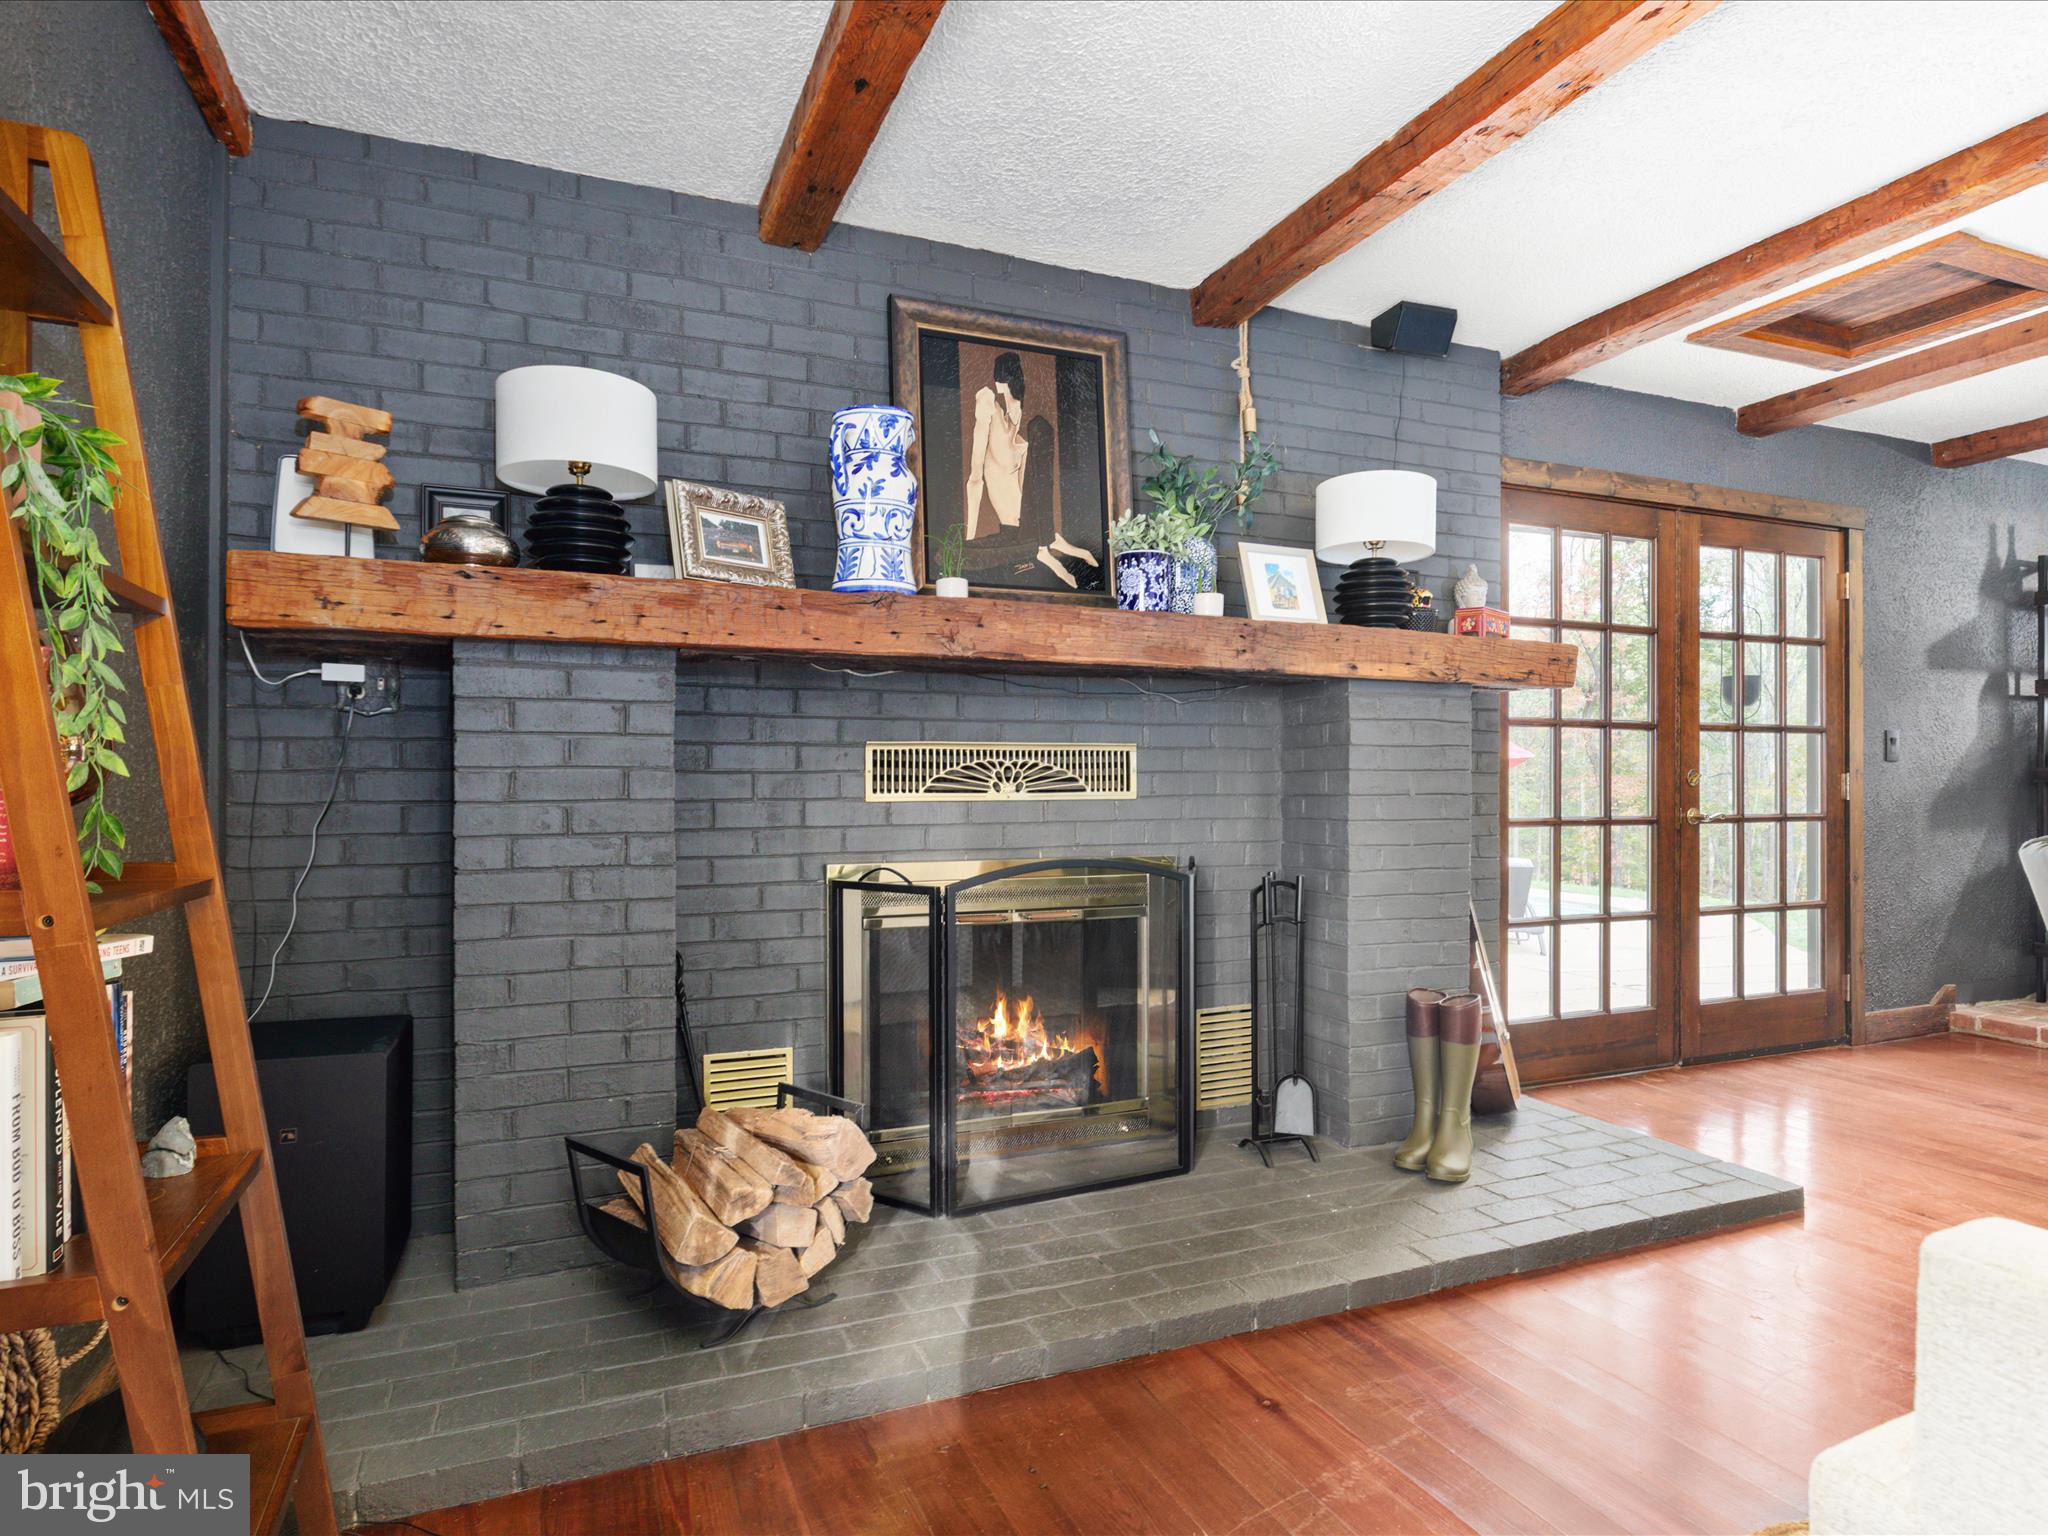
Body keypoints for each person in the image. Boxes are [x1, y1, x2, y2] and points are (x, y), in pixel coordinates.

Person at [963, 352, 1097, 588]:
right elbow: (975, 479)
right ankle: (1046, 547)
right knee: (1036, 429)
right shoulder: (987, 402)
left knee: (1039, 428)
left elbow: (1035, 487)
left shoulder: (1014, 417)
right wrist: (969, 538)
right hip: (1014, 519)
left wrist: (1015, 406)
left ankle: (1049, 543)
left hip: (1027, 517)